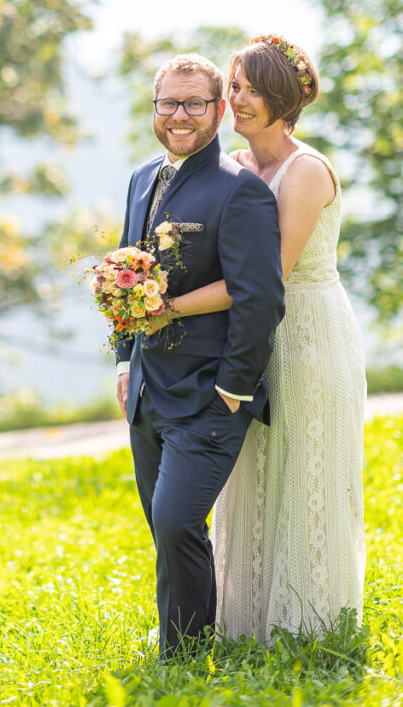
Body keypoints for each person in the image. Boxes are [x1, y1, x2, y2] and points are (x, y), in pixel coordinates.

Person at [156, 36, 366, 642]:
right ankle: (245, 620)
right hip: (246, 340)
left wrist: (166, 309)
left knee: (306, 467)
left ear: (282, 98)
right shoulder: (237, 169)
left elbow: (263, 278)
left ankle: (309, 626)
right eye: (236, 86)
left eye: (249, 89)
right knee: (249, 473)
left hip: (306, 333)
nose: (237, 99)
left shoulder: (305, 171)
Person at [115, 53, 285, 660]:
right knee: (165, 526)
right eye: (168, 103)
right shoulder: (140, 178)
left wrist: (235, 387)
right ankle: (185, 640)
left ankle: (183, 658)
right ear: (155, 109)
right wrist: (122, 361)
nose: (179, 115)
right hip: (146, 389)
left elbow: (260, 297)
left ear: (218, 109)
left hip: (210, 391)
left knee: (178, 520)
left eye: (194, 103)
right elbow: (124, 276)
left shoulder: (241, 192)